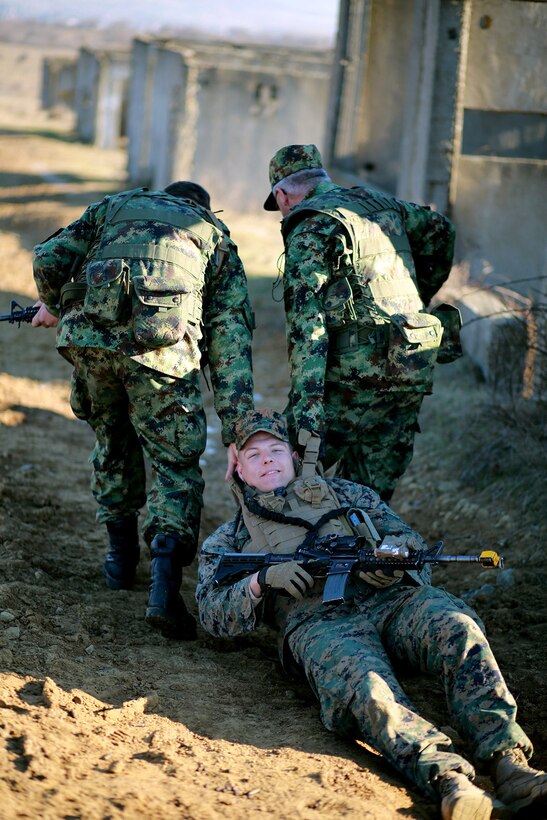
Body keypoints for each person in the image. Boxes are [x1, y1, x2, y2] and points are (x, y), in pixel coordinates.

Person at [198, 409, 547, 819]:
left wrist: (393, 560)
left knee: (459, 628)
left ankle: (508, 760)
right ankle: (449, 779)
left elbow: (410, 541)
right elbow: (210, 612)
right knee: (368, 686)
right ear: (236, 468)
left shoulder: (350, 497)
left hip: (393, 602)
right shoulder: (231, 538)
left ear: (295, 456)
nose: (268, 460)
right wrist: (260, 580)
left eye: (276, 450)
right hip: (320, 624)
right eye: (254, 455)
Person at [32, 181, 255, 640]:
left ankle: (118, 562)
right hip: (163, 356)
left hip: (90, 345)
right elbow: (231, 339)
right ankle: (163, 592)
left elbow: (46, 259)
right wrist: (238, 429)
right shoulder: (213, 234)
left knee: (113, 441)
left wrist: (54, 304)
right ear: (201, 208)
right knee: (175, 465)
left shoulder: (117, 206)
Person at [261, 143, 461, 501]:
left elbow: (308, 330)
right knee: (369, 497)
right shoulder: (379, 203)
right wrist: (420, 297)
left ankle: (281, 551)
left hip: (352, 375)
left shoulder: (310, 227)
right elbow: (441, 230)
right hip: (410, 363)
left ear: (281, 194)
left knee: (283, 478)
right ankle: (360, 550)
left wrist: (307, 413)